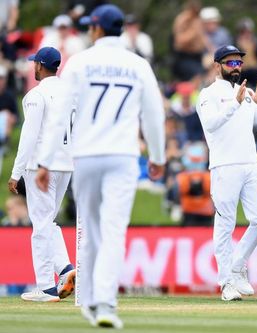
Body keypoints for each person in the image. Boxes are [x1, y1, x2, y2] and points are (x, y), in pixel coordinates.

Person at [35, 4, 165, 328]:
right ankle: (104, 303)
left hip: (87, 155)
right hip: (122, 155)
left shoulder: (79, 62)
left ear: (95, 29)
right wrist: (158, 157)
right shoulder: (137, 64)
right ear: (121, 30)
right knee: (113, 231)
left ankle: (92, 300)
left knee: (92, 232)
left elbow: (59, 114)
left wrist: (44, 161)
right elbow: (154, 114)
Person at [196, 45, 257, 301]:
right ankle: (226, 282)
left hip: (251, 165)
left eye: (238, 63)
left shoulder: (248, 93)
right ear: (217, 65)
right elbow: (211, 124)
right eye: (230, 63)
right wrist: (235, 104)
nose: (236, 67)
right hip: (224, 166)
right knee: (225, 225)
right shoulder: (208, 94)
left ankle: (238, 266)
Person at [8, 47, 75, 302]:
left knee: (40, 226)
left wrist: (16, 173)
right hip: (66, 165)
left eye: (34, 63)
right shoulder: (71, 94)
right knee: (49, 222)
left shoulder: (35, 95)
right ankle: (66, 269)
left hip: (41, 167)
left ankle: (46, 287)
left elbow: (29, 136)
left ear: (39, 66)